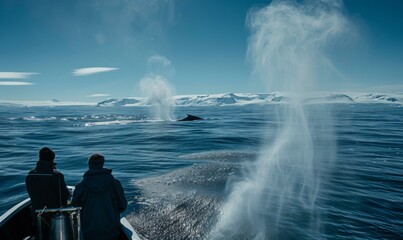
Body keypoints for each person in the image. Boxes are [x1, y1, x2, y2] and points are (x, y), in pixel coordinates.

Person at [72, 153, 127, 240]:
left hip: (89, 232)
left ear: (89, 165)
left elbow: (75, 206)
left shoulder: (80, 186)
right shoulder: (115, 183)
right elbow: (123, 206)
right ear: (102, 164)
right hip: (111, 230)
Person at [25, 147, 70, 239]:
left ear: (40, 157)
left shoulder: (30, 174)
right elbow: (64, 196)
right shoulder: (57, 175)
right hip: (55, 216)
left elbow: (30, 193)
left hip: (37, 214)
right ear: (52, 158)